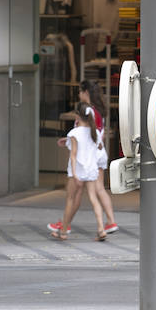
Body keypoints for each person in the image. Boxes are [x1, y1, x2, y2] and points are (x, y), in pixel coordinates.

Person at [48, 79, 119, 236]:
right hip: (95, 158)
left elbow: (81, 143)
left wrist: (71, 141)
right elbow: (96, 137)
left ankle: (65, 225)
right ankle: (106, 223)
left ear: (85, 92)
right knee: (95, 192)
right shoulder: (96, 112)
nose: (79, 94)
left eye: (80, 91)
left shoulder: (89, 113)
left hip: (86, 160)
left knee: (75, 195)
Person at [51, 103, 108, 241]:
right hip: (91, 168)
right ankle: (101, 229)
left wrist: (75, 174)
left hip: (77, 169)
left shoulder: (74, 133)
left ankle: (63, 232)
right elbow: (100, 146)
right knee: (94, 198)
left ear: (77, 116)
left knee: (70, 199)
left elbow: (73, 155)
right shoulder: (94, 132)